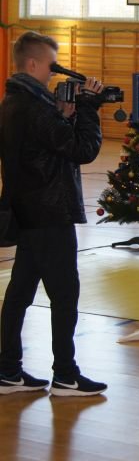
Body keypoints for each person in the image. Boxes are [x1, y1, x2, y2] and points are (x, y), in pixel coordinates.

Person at [0, 31, 107, 396]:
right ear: (33, 64)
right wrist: (88, 109)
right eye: (51, 65)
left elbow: (42, 146)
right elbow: (83, 149)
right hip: (50, 213)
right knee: (64, 295)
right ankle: (65, 374)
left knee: (19, 293)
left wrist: (61, 115)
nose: (54, 72)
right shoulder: (35, 109)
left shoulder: (14, 102)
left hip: (28, 211)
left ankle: (8, 370)